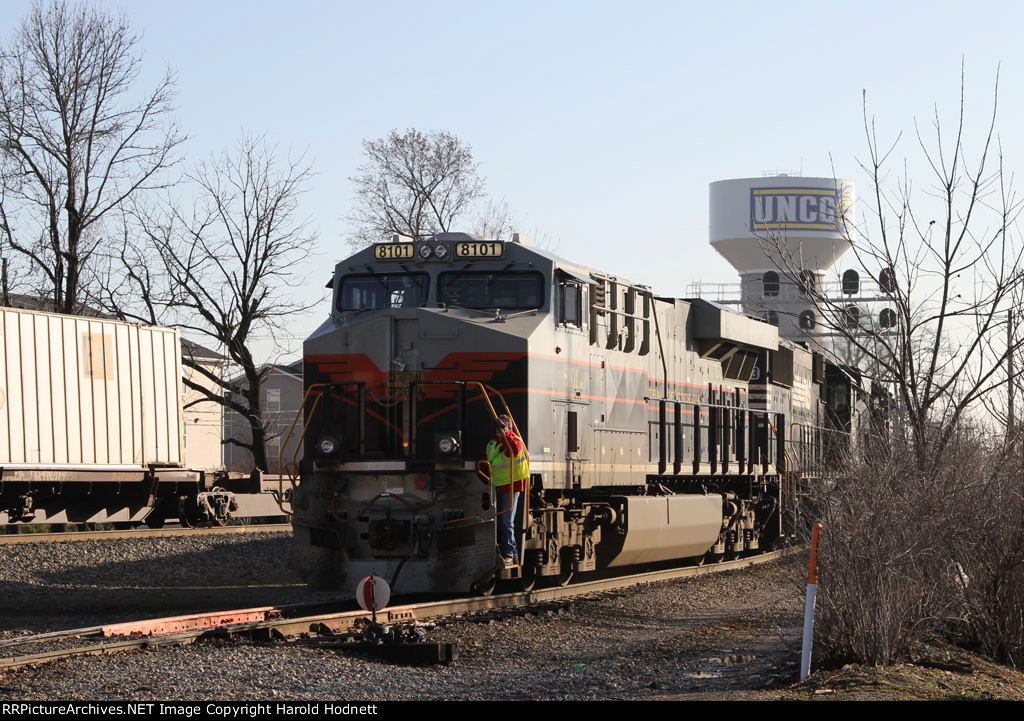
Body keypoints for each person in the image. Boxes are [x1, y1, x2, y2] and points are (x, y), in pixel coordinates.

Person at [485, 414, 529, 566]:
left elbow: (515, 451)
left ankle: (509, 554)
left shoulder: (515, 440)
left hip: (512, 485)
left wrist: (506, 435)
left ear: (509, 427)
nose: (500, 429)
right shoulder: (491, 444)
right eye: (499, 426)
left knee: (506, 521)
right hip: (496, 486)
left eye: (504, 426)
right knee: (499, 521)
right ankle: (514, 555)